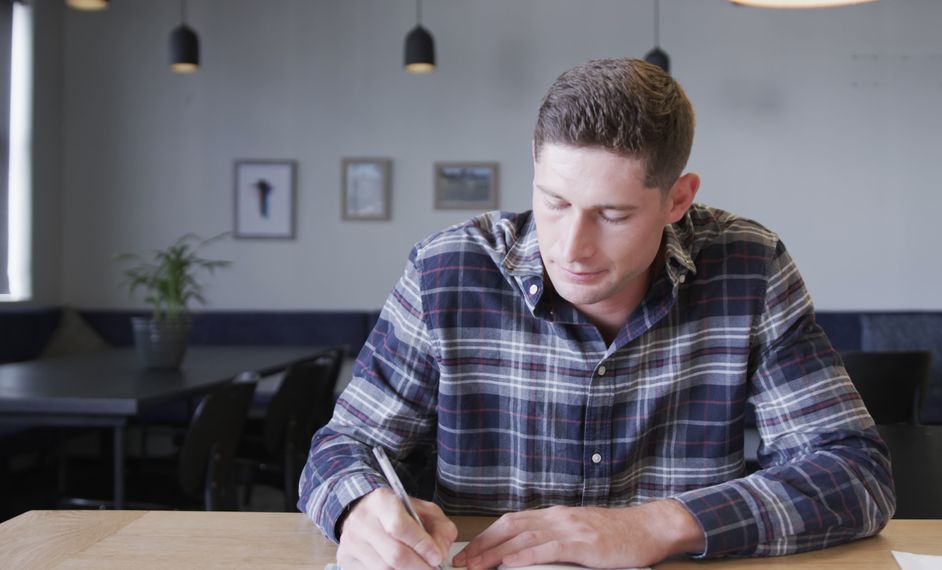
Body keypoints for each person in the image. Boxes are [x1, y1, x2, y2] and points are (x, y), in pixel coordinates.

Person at [299, 58, 895, 570]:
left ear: (678, 199)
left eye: (611, 215)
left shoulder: (750, 267)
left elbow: (854, 476)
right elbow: (343, 446)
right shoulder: (446, 271)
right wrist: (359, 507)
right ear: (534, 164)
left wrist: (652, 527)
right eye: (554, 202)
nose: (570, 247)